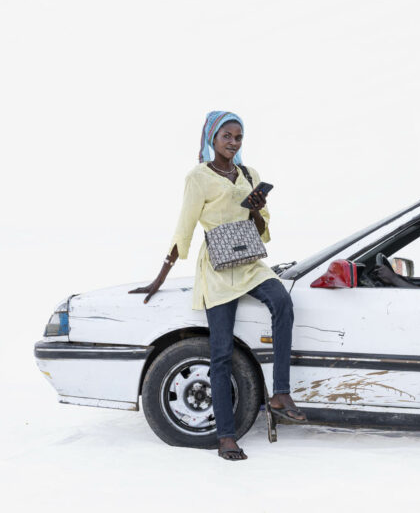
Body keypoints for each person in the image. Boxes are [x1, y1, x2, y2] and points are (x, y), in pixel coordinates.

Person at [129, 111, 305, 461]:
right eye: (227, 136)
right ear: (212, 136)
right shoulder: (198, 177)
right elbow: (185, 227)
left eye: (239, 137)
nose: (233, 143)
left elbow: (262, 227)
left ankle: (280, 394)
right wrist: (160, 276)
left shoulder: (249, 174)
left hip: (250, 262)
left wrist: (257, 208)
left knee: (282, 303)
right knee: (221, 353)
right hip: (218, 269)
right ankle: (226, 436)